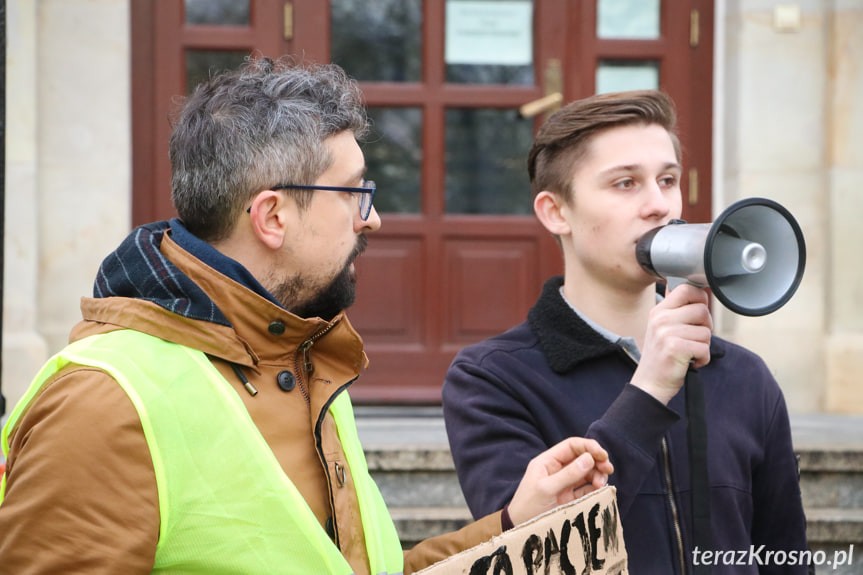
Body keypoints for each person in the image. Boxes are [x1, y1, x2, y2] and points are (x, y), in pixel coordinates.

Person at [0, 57, 614, 574]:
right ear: (272, 217)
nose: (371, 219)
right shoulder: (103, 402)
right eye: (356, 193)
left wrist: (513, 525)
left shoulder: (304, 355)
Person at [442, 90, 809, 574]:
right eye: (625, 183)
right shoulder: (493, 380)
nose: (659, 205)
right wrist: (651, 389)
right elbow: (542, 556)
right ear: (556, 212)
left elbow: (784, 556)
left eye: (668, 180)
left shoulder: (744, 377)